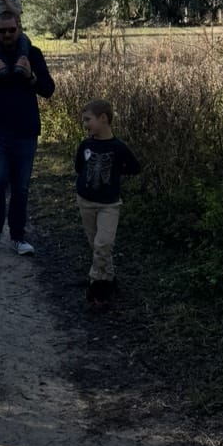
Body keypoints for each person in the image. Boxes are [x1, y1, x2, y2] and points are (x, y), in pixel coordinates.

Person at [0, 13, 55, 255]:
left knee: (21, 187)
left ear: (19, 28)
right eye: (2, 30)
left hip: (26, 131)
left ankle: (18, 236)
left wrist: (30, 76)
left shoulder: (32, 54)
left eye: (11, 30)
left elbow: (48, 89)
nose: (6, 35)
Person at [75, 99, 142, 307]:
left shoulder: (118, 147)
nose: (85, 124)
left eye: (88, 120)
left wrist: (114, 173)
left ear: (103, 119)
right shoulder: (86, 144)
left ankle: (96, 284)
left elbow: (134, 167)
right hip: (86, 202)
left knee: (103, 244)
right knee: (95, 244)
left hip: (109, 205)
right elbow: (79, 167)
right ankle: (109, 278)